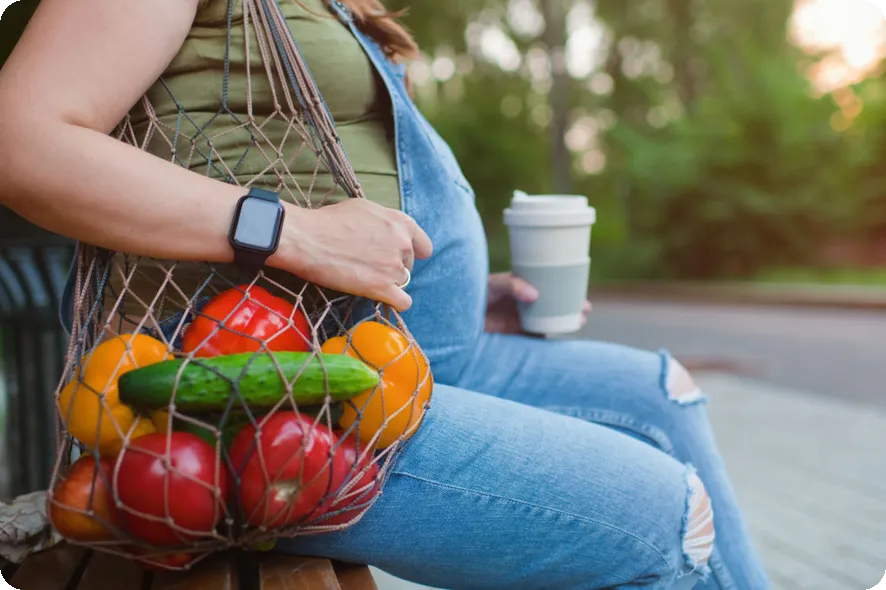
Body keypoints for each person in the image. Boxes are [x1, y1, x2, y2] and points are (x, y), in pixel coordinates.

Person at [0, 0, 771, 588]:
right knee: (668, 521)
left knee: (661, 393)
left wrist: (455, 298)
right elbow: (20, 140)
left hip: (398, 349)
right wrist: (291, 232)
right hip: (264, 388)